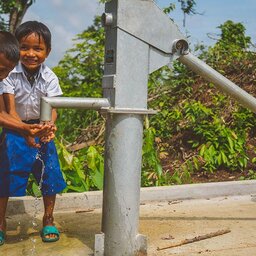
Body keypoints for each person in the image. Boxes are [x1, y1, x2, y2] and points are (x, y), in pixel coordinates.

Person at [0, 21, 66, 245]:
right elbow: (9, 110)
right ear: (16, 48)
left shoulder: (50, 77)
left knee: (49, 176)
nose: (30, 53)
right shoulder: (8, 73)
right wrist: (25, 131)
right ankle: (0, 223)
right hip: (14, 129)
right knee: (5, 176)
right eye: (24, 47)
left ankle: (48, 218)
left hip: (41, 129)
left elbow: (53, 108)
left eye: (37, 48)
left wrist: (48, 127)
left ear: (47, 51)